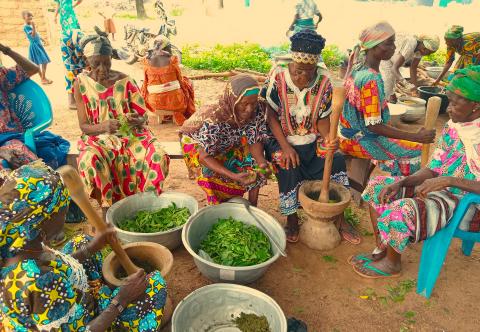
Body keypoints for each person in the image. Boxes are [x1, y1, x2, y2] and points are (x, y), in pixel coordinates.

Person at [0, 162, 168, 331]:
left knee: (81, 241)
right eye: (62, 210)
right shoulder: (42, 281)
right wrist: (122, 300)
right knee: (155, 284)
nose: (65, 215)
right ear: (44, 221)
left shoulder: (18, 241)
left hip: (57, 299)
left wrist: (93, 247)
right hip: (82, 326)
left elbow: (51, 262)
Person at [351, 65, 480, 278]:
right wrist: (402, 183)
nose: (449, 108)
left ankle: (393, 264)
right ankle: (384, 246)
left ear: (475, 106)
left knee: (403, 209)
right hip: (442, 192)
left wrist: (449, 181)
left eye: (455, 103)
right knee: (379, 187)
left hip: (469, 205)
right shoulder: (454, 127)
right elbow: (433, 167)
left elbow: (446, 177)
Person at [262, 30, 350, 243]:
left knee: (335, 158)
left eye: (309, 72)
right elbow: (270, 117)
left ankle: (339, 217)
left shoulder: (324, 80)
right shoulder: (278, 76)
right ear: (292, 63)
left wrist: (329, 139)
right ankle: (292, 218)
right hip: (280, 138)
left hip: (311, 137)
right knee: (287, 162)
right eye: (299, 71)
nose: (303, 77)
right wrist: (285, 146)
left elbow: (321, 119)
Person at [73, 30, 170, 214]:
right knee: (90, 160)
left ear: (112, 58)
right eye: (96, 64)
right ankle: (107, 209)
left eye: (106, 63)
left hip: (132, 136)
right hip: (98, 139)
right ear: (87, 63)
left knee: (156, 155)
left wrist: (137, 120)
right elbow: (84, 127)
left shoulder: (125, 81)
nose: (102, 69)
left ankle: (145, 207)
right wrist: (103, 127)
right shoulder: (81, 84)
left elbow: (144, 117)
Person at [340, 22, 436, 177]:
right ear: (373, 46)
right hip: (358, 138)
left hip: (349, 131)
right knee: (416, 151)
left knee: (400, 141)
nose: (393, 48)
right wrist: (414, 136)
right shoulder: (371, 78)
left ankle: (364, 183)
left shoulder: (358, 68)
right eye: (389, 43)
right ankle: (397, 192)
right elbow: (374, 127)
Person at [180, 74, 270, 206]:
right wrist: (232, 175)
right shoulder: (214, 117)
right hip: (199, 147)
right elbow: (204, 157)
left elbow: (254, 138)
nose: (250, 109)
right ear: (233, 100)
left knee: (252, 163)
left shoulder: (258, 107)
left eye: (253, 103)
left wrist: (261, 163)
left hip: (230, 141)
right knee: (209, 172)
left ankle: (252, 207)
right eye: (244, 104)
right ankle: (217, 206)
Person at [0, 43, 69, 173]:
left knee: (32, 169)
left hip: (9, 139)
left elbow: (32, 68)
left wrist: (6, 49)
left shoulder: (1, 77)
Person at [141, 36, 195, 126]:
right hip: (176, 103)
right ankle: (178, 112)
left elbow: (146, 83)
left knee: (144, 86)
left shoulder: (147, 61)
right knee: (188, 83)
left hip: (154, 102)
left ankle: (161, 111)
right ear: (167, 47)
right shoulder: (172, 60)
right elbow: (180, 81)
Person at [380, 34, 440, 102]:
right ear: (424, 48)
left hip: (393, 60)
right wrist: (406, 83)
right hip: (385, 56)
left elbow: (413, 68)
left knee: (391, 85)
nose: (429, 55)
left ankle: (388, 100)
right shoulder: (411, 43)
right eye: (429, 53)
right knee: (388, 83)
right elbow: (394, 68)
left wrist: (415, 89)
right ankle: (382, 106)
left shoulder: (419, 51)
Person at [54, 0, 85, 109]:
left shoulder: (68, 11)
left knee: (75, 68)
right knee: (75, 67)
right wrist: (55, 15)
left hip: (70, 35)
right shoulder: (74, 30)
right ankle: (73, 99)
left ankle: (76, 98)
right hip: (71, 37)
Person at [22, 10, 52, 85]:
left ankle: (43, 78)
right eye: (28, 16)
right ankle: (43, 78)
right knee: (40, 62)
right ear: (24, 18)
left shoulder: (29, 26)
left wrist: (42, 39)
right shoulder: (26, 27)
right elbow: (32, 35)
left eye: (31, 16)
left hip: (38, 45)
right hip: (35, 46)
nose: (30, 17)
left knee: (42, 62)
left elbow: (36, 35)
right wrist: (34, 27)